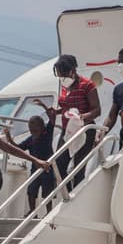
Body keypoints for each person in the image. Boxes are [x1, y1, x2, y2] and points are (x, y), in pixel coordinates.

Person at [44, 54, 101, 189]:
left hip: (84, 130)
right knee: (59, 164)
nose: (61, 79)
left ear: (72, 71)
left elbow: (97, 110)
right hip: (68, 131)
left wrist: (81, 117)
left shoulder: (87, 85)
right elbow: (66, 107)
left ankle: (76, 195)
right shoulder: (65, 87)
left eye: (62, 75)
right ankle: (69, 194)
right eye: (59, 76)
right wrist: (56, 112)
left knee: (78, 168)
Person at [16, 114, 56, 212]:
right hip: (35, 169)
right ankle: (32, 212)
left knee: (47, 192)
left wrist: (46, 109)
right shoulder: (30, 140)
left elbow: (52, 120)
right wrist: (9, 139)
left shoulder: (47, 133)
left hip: (47, 169)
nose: (33, 132)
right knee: (31, 191)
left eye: (35, 130)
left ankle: (49, 211)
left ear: (42, 127)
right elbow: (18, 148)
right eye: (31, 130)